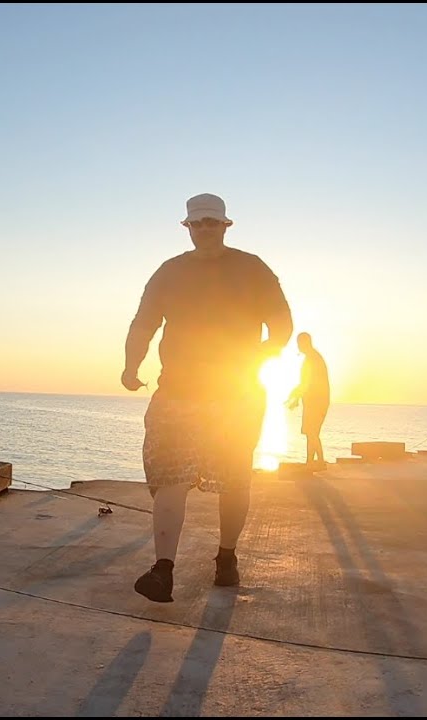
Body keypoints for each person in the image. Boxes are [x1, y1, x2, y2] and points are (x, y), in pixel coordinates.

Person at [122, 193, 292, 603]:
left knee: (234, 479)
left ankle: (226, 558)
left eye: (211, 223)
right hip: (180, 393)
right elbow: (143, 324)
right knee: (170, 478)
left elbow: (282, 325)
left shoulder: (253, 268)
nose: (204, 230)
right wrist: (131, 367)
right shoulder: (170, 271)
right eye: (197, 224)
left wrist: (259, 356)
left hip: (235, 393)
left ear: (226, 225)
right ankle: (163, 571)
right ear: (187, 227)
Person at [285, 332, 330, 470]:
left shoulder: (313, 359)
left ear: (305, 343)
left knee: (312, 432)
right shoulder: (312, 358)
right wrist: (296, 397)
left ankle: (318, 462)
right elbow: (305, 383)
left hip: (317, 401)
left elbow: (307, 383)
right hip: (314, 401)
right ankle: (312, 461)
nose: (298, 347)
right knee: (311, 433)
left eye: (299, 344)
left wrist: (295, 396)